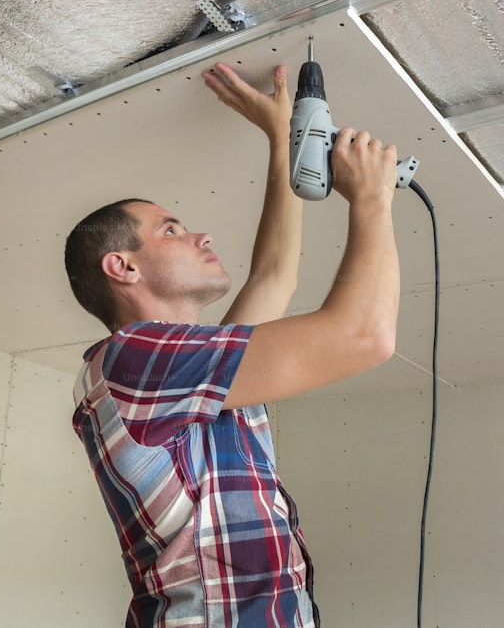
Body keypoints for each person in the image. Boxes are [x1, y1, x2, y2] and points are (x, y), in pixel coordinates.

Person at [64, 61, 400, 627]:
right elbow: (363, 337)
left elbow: (272, 277)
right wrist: (371, 200)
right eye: (170, 230)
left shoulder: (184, 375)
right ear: (122, 267)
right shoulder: (129, 361)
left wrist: (282, 139)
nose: (201, 235)